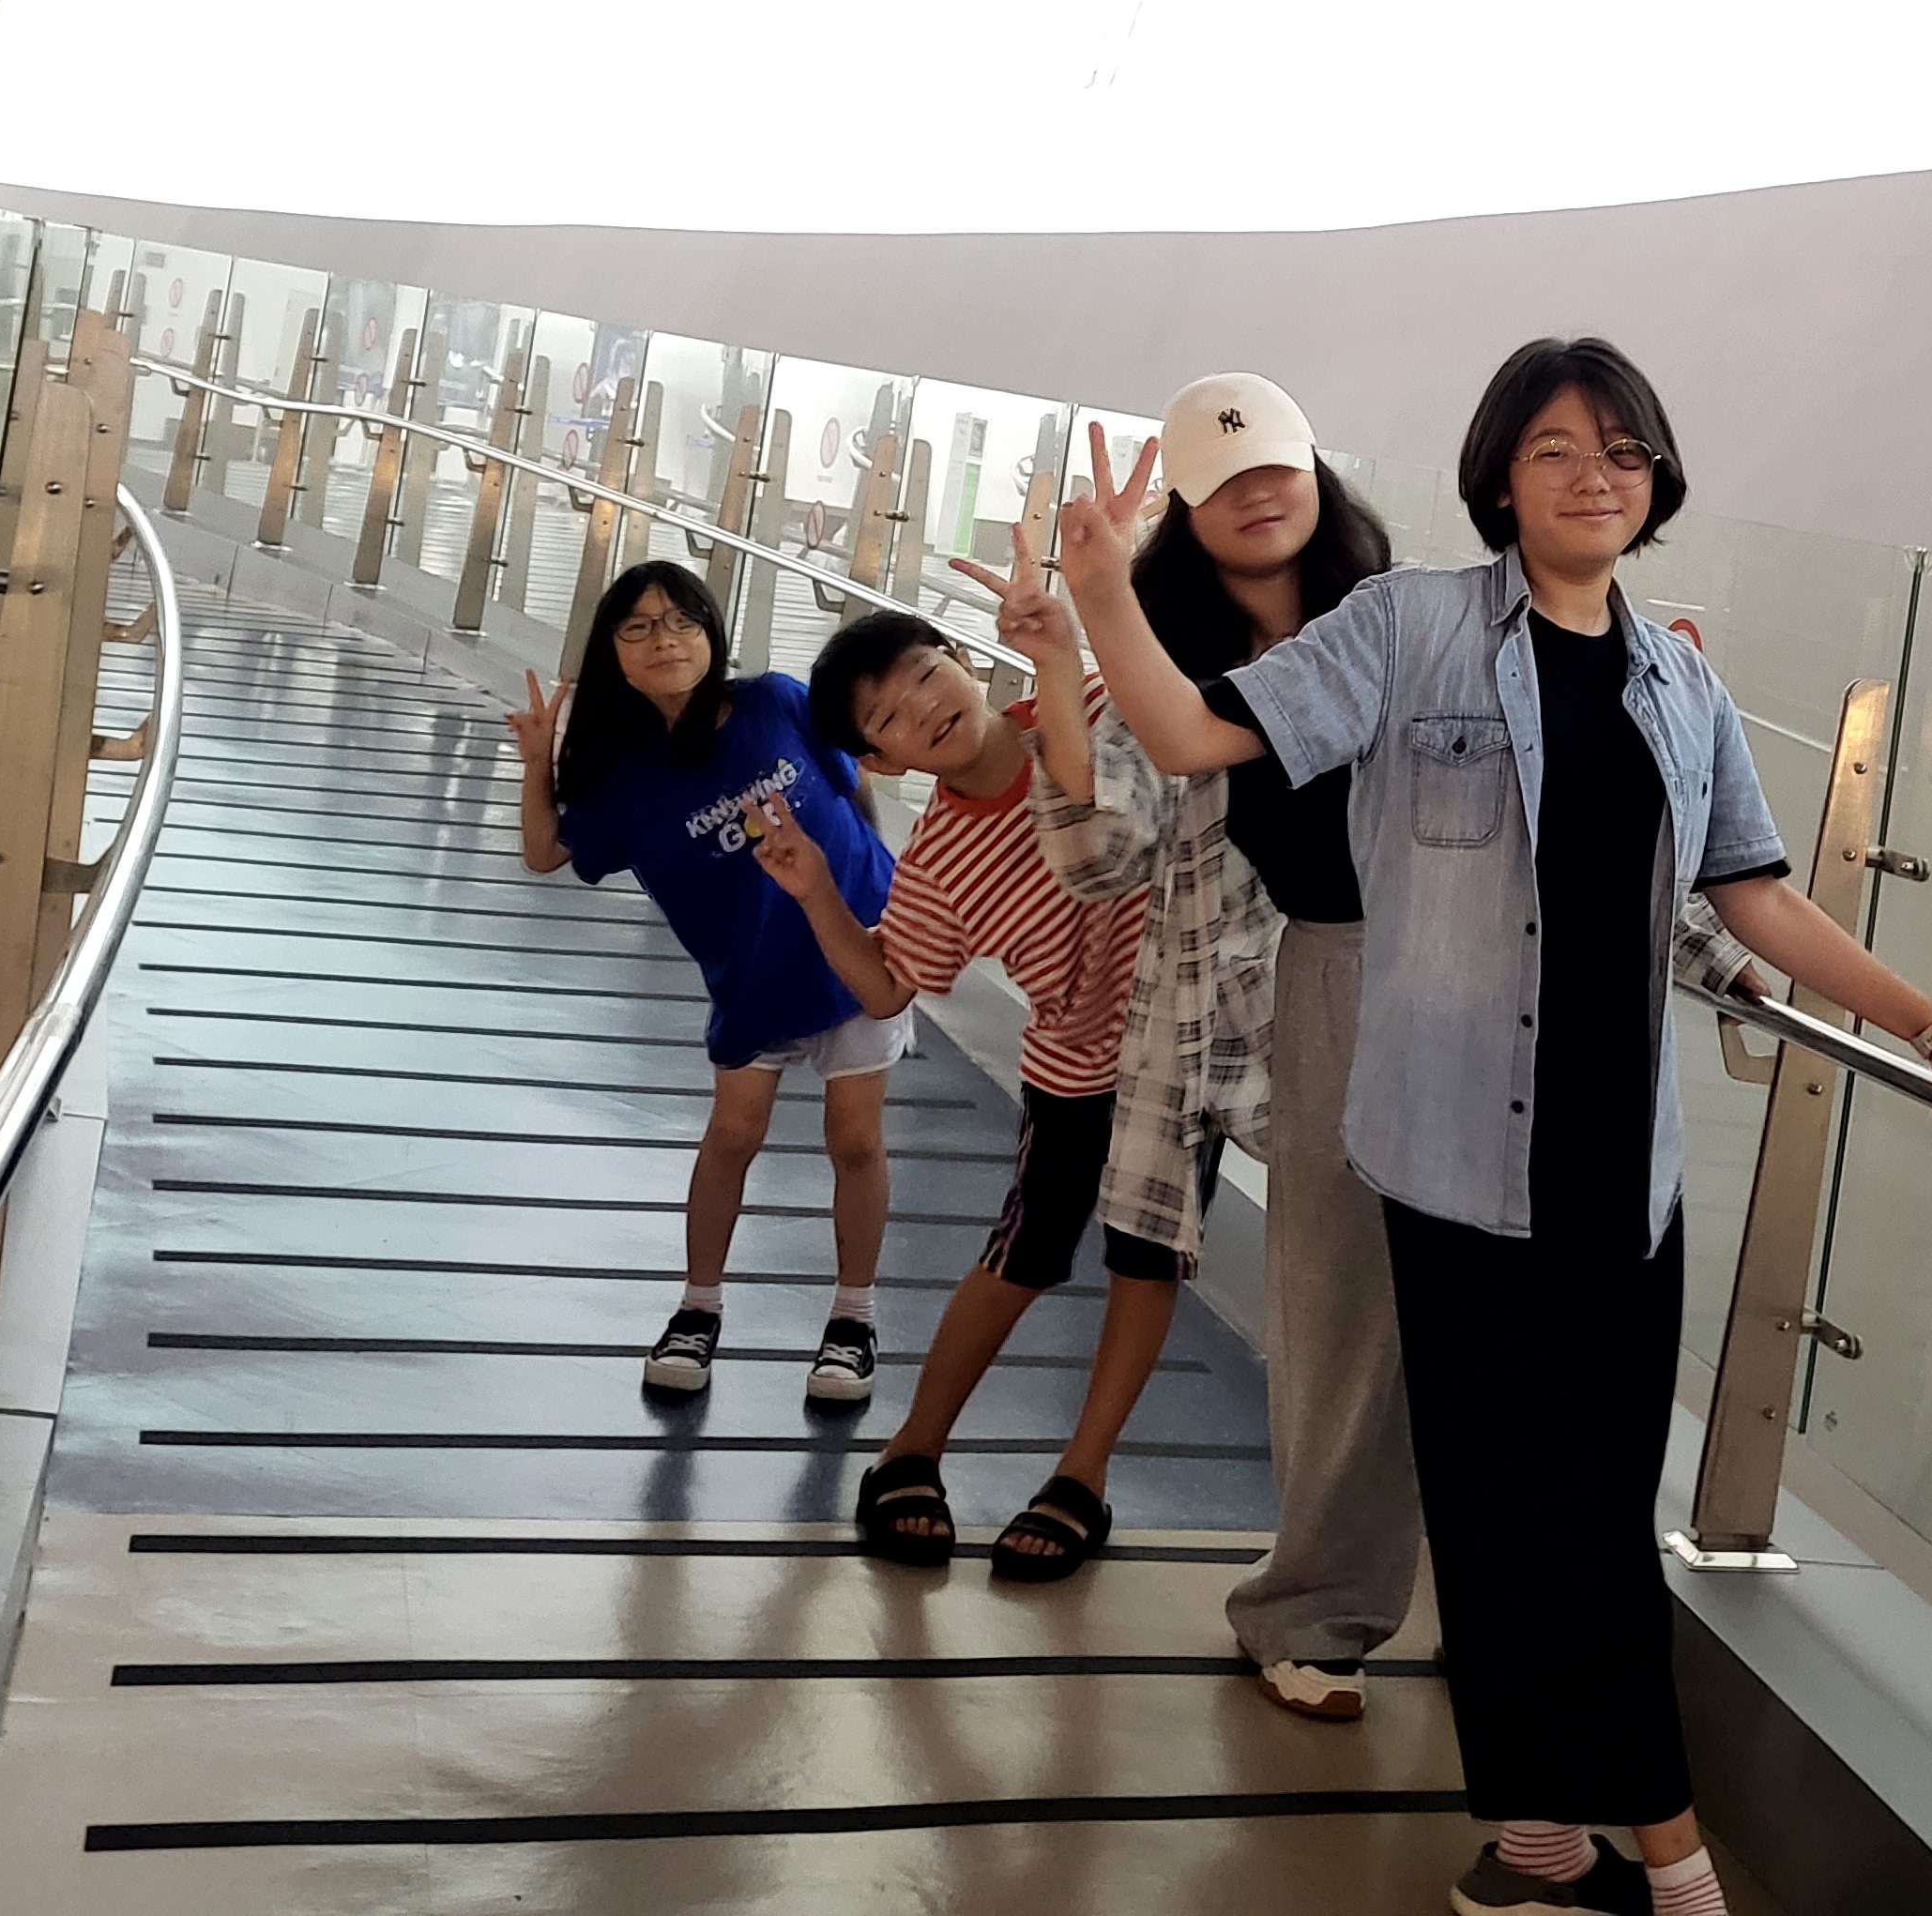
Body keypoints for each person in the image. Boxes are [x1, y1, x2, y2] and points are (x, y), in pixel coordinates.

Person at [1063, 337, 1932, 1916]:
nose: (1594, 476)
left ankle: (1545, 1848)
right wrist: (1103, 597)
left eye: (1624, 452)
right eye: (1557, 448)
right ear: (1500, 475)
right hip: (1451, 1160)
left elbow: (1758, 897)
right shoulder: (1409, 625)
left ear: (1657, 483)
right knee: (1519, 1515)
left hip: (1622, 1174)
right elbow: (1191, 740)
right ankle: (1668, 1862)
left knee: (1581, 1512)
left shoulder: (1679, 684)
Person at [1016, 373, 1410, 1724]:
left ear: (1318, 473)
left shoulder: (1400, 629)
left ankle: (1473, 1598)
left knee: (1460, 1326)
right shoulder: (1158, 662)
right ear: (1182, 510)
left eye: (1275, 464)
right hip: (1243, 1022)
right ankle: (1308, 1609)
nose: (1256, 492)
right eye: (1221, 479)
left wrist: (1720, 956)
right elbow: (1097, 858)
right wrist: (1068, 653)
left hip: (1429, 1010)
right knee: (1334, 1327)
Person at [757, 587, 1179, 1583]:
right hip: (1076, 1074)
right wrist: (815, 890)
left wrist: (1086, 611)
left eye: (924, 675)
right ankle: (912, 1450)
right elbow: (886, 982)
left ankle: (1083, 1474)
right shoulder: (940, 861)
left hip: (1183, 1055)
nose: (924, 707)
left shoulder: (1093, 702)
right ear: (882, 761)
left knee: (1149, 1258)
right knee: (1020, 1255)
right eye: (889, 716)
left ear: (960, 656)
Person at [510, 561, 903, 1406]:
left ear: (712, 631)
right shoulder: (622, 776)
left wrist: (879, 900)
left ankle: (854, 1318)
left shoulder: (776, 701)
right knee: (732, 1135)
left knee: (855, 1140)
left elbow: (855, 786)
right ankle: (699, 1306)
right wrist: (539, 761)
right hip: (750, 975)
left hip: (855, 955)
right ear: (614, 654)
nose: (666, 640)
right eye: (640, 627)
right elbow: (545, 853)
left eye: (683, 621)